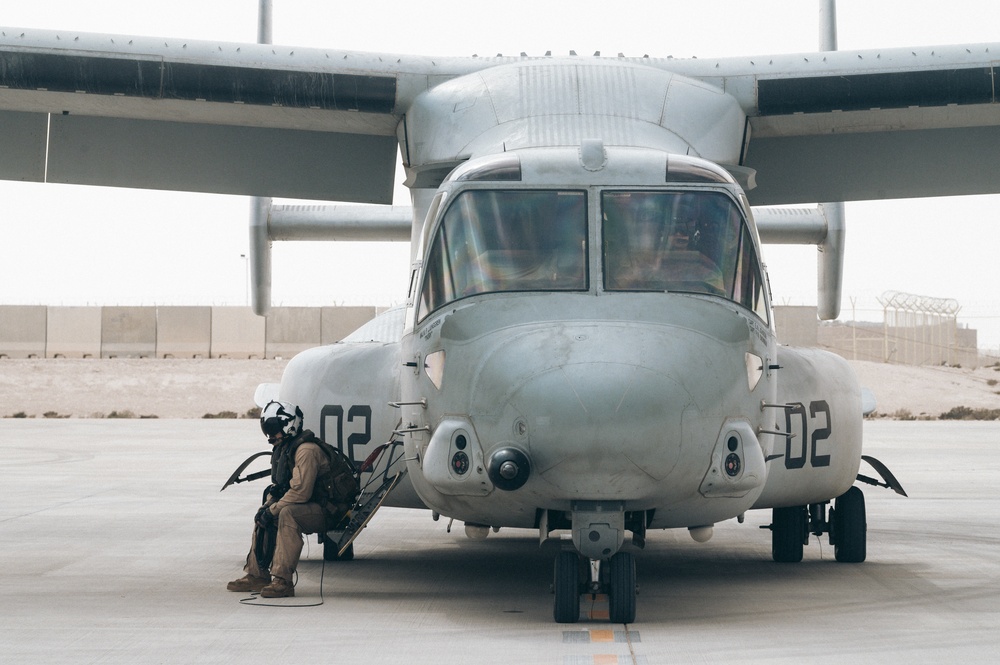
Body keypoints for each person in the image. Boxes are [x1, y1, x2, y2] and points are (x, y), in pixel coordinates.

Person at [227, 400, 344, 598]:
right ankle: (257, 575)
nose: (270, 436)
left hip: (329, 510)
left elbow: (301, 492)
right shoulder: (286, 448)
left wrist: (273, 510)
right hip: (309, 505)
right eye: (267, 429)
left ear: (289, 425)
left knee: (287, 514)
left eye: (274, 429)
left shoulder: (306, 451)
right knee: (264, 512)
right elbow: (281, 486)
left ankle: (283, 581)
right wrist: (267, 508)